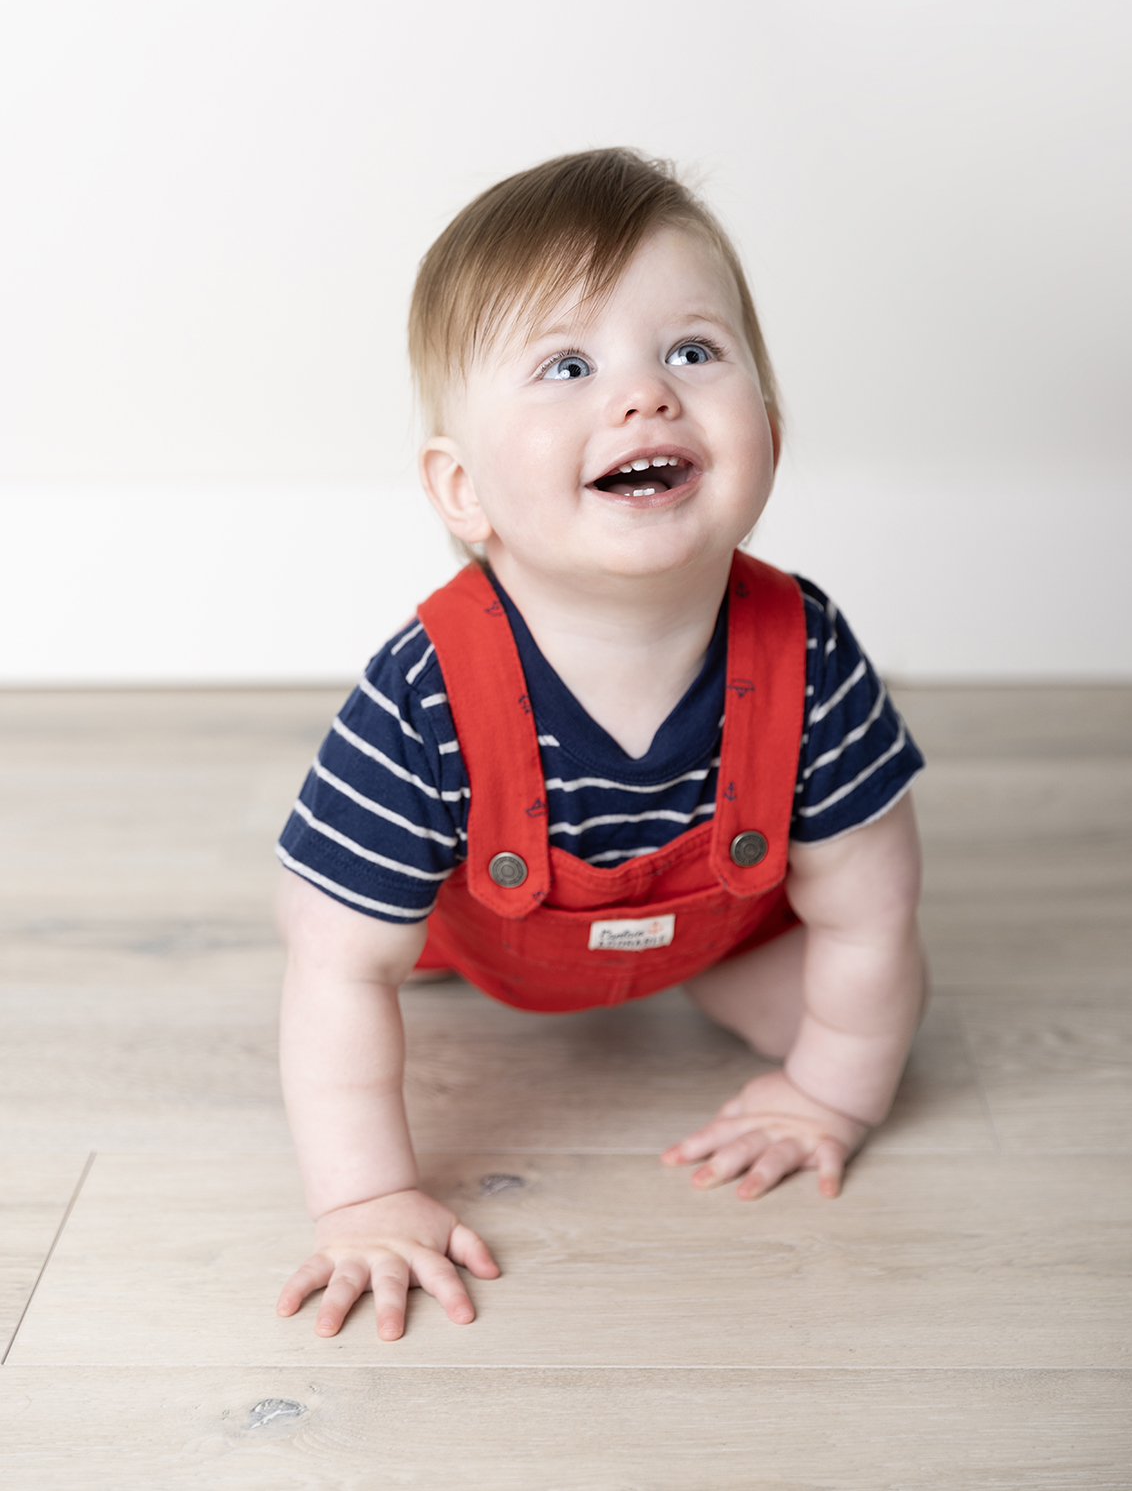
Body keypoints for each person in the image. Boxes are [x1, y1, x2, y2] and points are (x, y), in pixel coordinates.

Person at [274, 148, 926, 1343]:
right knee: (359, 945)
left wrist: (827, 1092)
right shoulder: (425, 695)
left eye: (693, 351)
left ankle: (765, 1022)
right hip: (476, 937)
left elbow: (871, 909)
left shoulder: (807, 650)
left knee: (867, 1017)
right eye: (569, 366)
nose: (645, 396)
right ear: (463, 489)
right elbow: (333, 969)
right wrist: (365, 1198)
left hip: (710, 934)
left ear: (771, 432)